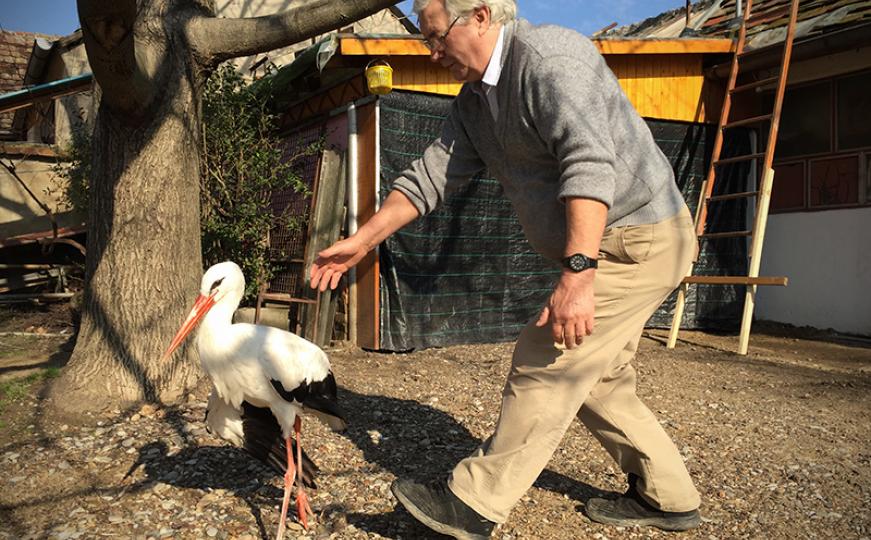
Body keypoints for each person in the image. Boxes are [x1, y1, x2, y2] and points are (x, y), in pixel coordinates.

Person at [310, 0, 702, 537]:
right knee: (598, 378)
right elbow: (430, 176)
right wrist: (362, 240)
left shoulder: (551, 60)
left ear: (480, 16)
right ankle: (669, 497)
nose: (432, 52)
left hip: (638, 238)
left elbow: (589, 162)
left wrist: (578, 275)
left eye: (437, 36)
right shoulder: (475, 101)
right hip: (612, 242)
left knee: (546, 359)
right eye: (426, 40)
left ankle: (472, 504)